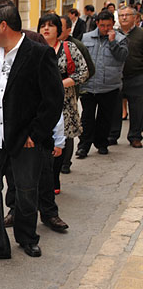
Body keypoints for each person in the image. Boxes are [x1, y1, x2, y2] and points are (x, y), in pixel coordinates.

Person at [0, 4, 64, 259]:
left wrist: (36, 134)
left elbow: (53, 99)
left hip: (25, 140)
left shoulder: (39, 54)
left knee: (27, 192)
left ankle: (27, 238)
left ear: (4, 26)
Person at [36, 14, 89, 195]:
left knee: (63, 140)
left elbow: (84, 72)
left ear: (59, 29)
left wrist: (62, 83)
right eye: (43, 25)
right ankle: (42, 178)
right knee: (43, 139)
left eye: (51, 25)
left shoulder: (69, 48)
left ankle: (55, 177)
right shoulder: (35, 49)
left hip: (65, 102)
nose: (46, 29)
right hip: (41, 102)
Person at [76, 10, 129, 158]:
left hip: (109, 86)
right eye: (103, 25)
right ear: (97, 24)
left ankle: (102, 143)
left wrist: (113, 43)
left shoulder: (120, 39)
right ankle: (83, 146)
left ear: (113, 24)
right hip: (89, 85)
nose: (106, 28)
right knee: (87, 118)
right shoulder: (86, 38)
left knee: (105, 118)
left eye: (109, 25)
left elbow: (123, 57)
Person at [4, 115, 69, 233]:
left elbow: (54, 111)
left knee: (45, 176)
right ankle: (14, 211)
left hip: (41, 136)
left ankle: (49, 213)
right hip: (14, 136)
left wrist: (58, 141)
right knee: (13, 176)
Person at [58, 15, 95, 174]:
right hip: (48, 97)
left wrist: (71, 84)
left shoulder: (75, 46)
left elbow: (88, 70)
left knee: (67, 129)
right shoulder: (41, 46)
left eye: (58, 26)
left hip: (68, 95)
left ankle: (65, 162)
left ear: (68, 29)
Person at [109, 6, 143, 148]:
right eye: (121, 15)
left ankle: (135, 136)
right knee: (114, 107)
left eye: (127, 15)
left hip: (136, 75)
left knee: (137, 108)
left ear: (135, 17)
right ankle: (112, 135)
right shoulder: (113, 34)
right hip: (117, 77)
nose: (123, 18)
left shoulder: (141, 34)